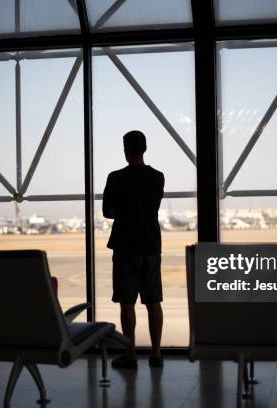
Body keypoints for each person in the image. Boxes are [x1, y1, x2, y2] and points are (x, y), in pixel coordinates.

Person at [103, 130, 165, 369]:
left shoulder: (115, 178)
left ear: (125, 150)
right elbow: (153, 205)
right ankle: (156, 353)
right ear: (145, 148)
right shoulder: (157, 177)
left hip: (125, 245)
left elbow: (108, 212)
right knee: (153, 301)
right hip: (150, 245)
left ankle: (129, 354)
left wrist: (124, 211)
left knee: (127, 303)